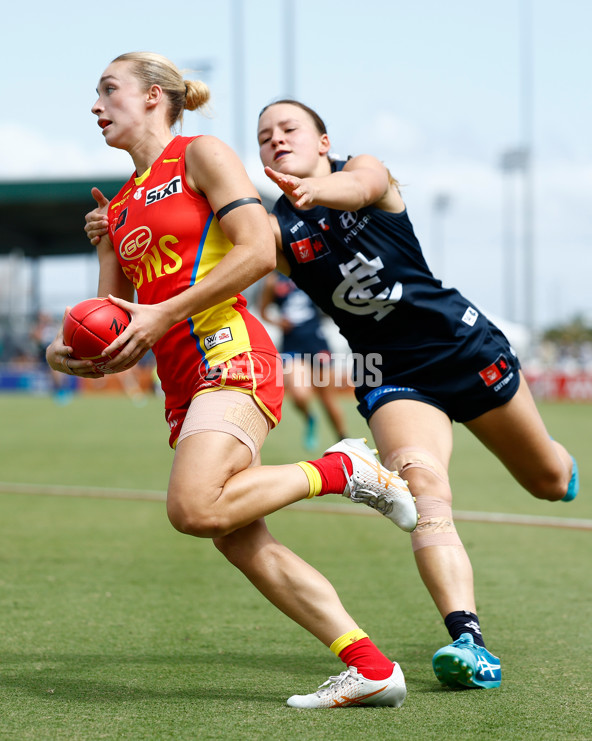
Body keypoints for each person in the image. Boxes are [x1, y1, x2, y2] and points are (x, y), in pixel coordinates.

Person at [51, 53, 418, 709]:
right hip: (179, 379)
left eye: (109, 90)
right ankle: (370, 666)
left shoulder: (202, 154)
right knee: (231, 532)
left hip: (231, 349)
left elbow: (254, 251)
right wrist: (73, 350)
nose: (96, 105)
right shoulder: (122, 205)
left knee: (193, 507)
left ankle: (342, 470)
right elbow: (112, 335)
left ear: (156, 97)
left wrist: (164, 309)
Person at [250, 99, 578, 690]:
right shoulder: (277, 231)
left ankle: (559, 463)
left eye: (289, 129)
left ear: (324, 142)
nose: (276, 140)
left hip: (463, 348)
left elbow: (355, 187)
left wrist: (315, 192)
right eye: (264, 136)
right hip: (390, 372)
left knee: (548, 481)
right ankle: (470, 641)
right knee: (424, 486)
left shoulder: (365, 174)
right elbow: (212, 254)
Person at [258, 271, 348, 449]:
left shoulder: (312, 271)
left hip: (316, 342)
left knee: (327, 399)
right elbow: (263, 311)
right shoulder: (273, 280)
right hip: (292, 344)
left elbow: (333, 301)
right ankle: (309, 417)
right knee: (299, 394)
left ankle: (344, 440)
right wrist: (278, 322)